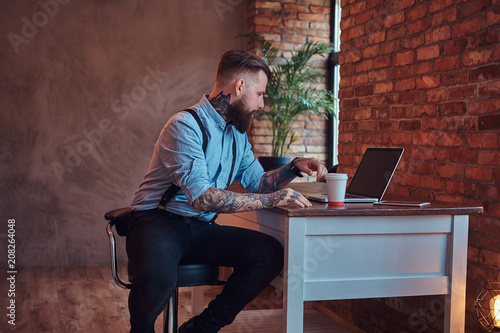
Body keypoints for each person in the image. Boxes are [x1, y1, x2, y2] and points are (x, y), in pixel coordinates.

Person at [127, 49, 328, 333]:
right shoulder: (185, 125)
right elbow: (203, 197)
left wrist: (295, 167)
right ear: (239, 87)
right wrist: (271, 199)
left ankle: (200, 329)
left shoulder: (236, 135)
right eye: (259, 94)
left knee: (268, 253)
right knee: (158, 278)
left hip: (200, 228)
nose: (261, 104)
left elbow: (258, 182)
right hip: (157, 222)